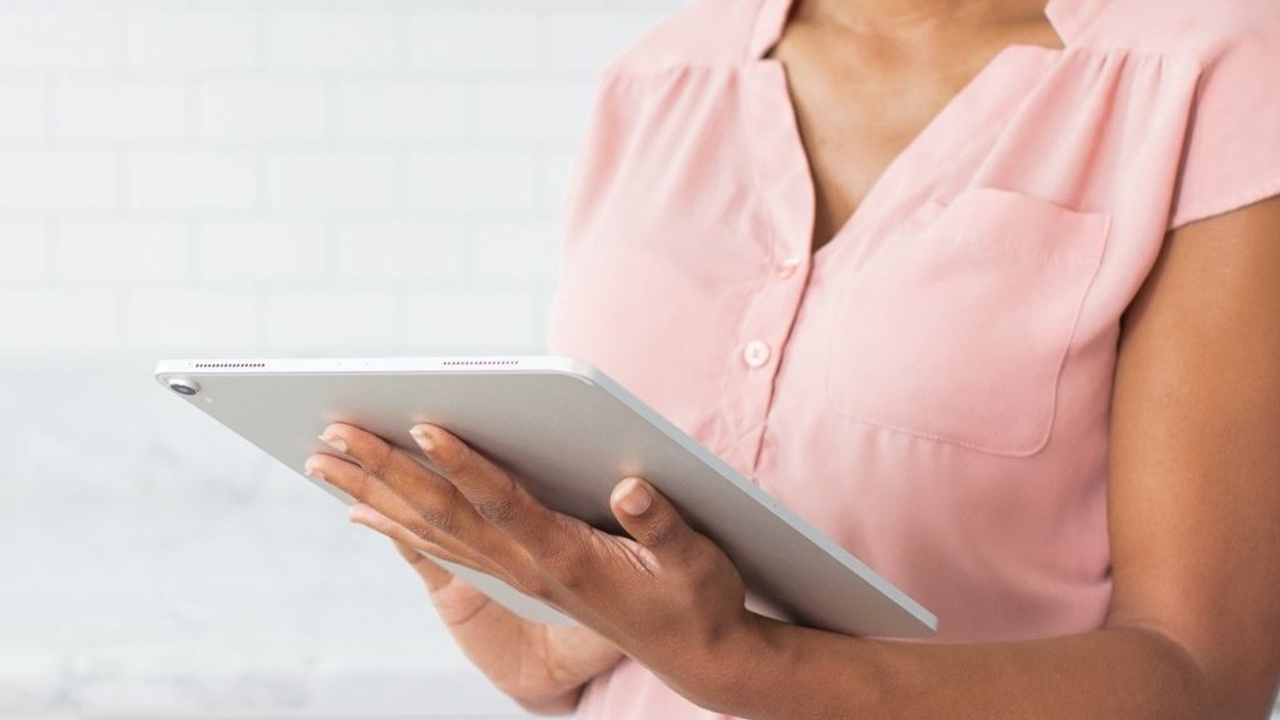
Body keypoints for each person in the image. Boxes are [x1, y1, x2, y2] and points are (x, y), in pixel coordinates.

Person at [303, 0, 1280, 716]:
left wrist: (749, 667)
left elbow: (1200, 676)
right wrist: (548, 645)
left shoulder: (1207, 70)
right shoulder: (657, 79)